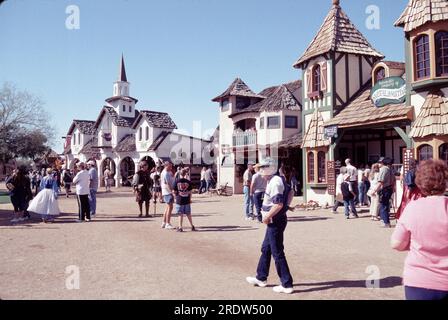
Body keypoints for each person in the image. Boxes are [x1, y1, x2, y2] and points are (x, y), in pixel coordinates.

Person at [391, 160, 448, 300]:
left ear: (420, 183)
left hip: (418, 280)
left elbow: (396, 244)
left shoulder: (413, 208)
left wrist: (415, 244)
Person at [246, 159, 294, 294]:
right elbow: (290, 192)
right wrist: (287, 205)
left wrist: (268, 216)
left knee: (277, 251)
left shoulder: (275, 182)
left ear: (269, 169)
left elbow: (278, 204)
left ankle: (286, 283)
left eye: (262, 168)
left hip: (275, 220)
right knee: (266, 248)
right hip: (275, 219)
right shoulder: (276, 180)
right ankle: (261, 277)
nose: (260, 172)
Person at [372, 157, 395, 228]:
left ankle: (386, 222)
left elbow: (381, 181)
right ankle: (385, 221)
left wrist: (374, 190)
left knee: (383, 206)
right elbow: (393, 180)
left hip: (384, 189)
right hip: (389, 188)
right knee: (385, 205)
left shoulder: (384, 169)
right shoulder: (391, 169)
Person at [161, 161, 175, 229]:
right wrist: (172, 192)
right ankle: (167, 223)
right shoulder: (165, 173)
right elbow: (168, 184)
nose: (171, 167)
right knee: (170, 207)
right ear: (166, 166)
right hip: (167, 192)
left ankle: (164, 222)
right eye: (170, 166)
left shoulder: (169, 172)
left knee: (167, 207)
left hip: (167, 191)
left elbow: (172, 179)